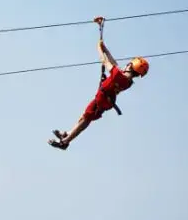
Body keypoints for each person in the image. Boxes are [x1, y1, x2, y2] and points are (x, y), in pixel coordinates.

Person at [49, 17, 149, 150]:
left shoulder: (119, 76)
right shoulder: (127, 81)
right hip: (103, 99)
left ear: (131, 66)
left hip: (102, 100)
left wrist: (98, 48)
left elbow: (105, 61)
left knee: (86, 119)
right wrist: (105, 48)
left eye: (129, 64)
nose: (126, 65)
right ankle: (67, 134)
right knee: (84, 116)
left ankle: (65, 141)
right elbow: (113, 63)